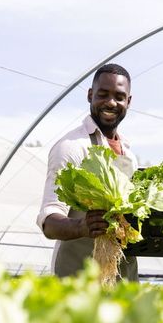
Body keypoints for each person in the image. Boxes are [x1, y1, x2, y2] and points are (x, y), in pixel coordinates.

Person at [37, 63, 139, 280]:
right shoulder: (72, 147)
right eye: (103, 94)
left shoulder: (129, 157)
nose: (111, 102)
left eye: (119, 97)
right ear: (90, 95)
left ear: (128, 102)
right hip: (77, 280)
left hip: (121, 280)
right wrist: (81, 226)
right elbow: (49, 220)